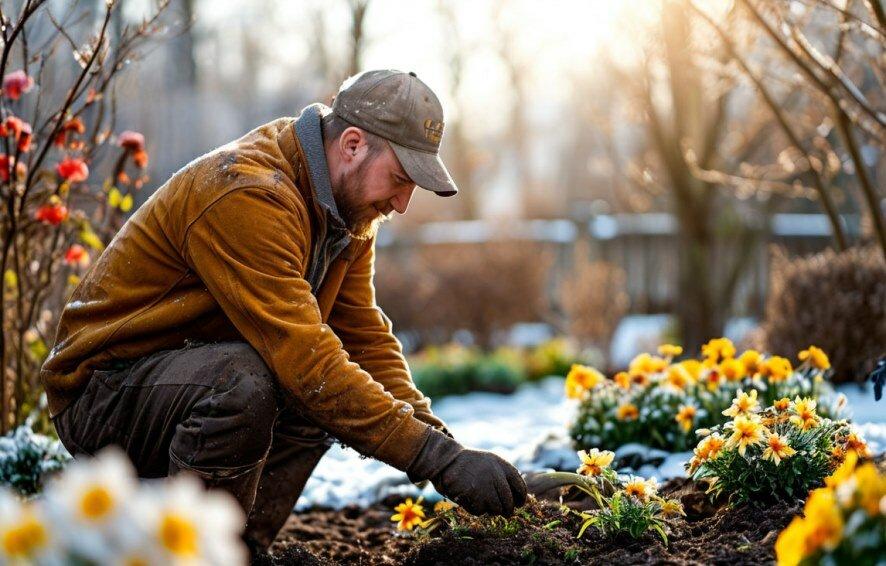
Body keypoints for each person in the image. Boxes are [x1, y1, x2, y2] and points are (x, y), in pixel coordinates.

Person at [40, 69, 527, 553]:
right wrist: (435, 460)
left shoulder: (347, 212)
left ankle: (241, 548)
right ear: (352, 145)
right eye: (400, 179)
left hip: (187, 376)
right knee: (258, 380)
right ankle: (193, 554)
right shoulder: (248, 192)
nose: (402, 203)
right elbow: (305, 358)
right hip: (103, 391)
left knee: (322, 391)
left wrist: (446, 448)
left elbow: (363, 339)